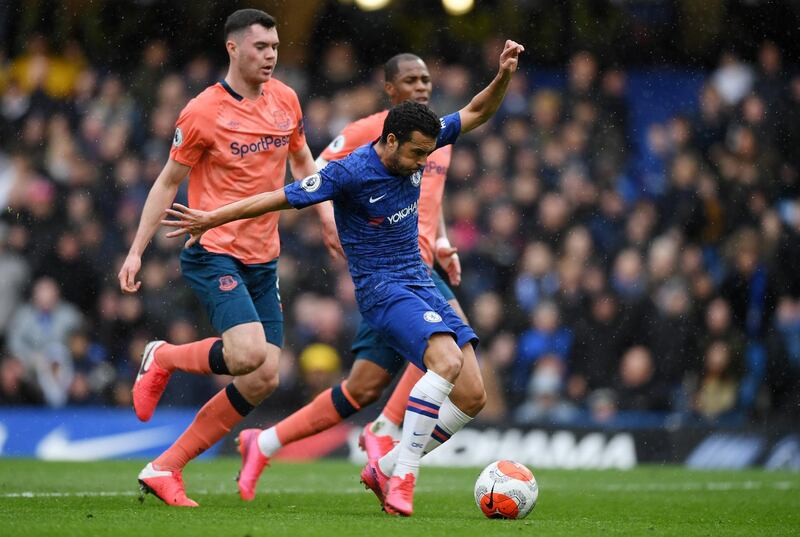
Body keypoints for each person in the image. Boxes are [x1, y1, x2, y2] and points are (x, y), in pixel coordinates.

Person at [163, 39, 524, 516]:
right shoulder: (348, 172)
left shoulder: (425, 134)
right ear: (391, 141)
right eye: (417, 156)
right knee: (444, 362)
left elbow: (477, 111)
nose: (422, 164)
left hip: (419, 276)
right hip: (383, 288)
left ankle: (386, 463)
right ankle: (403, 477)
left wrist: (502, 75)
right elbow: (276, 197)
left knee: (473, 395)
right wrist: (212, 217)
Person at [116, 9, 341, 507]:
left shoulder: (286, 99)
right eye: (261, 47)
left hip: (264, 257)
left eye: (276, 47)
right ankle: (163, 357)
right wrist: (136, 250)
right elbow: (167, 182)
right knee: (245, 354)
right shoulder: (202, 112)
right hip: (213, 250)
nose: (271, 56)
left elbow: (303, 163)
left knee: (263, 377)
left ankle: (164, 467)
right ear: (233, 49)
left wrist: (326, 217)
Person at [232, 51, 476, 503]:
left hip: (420, 265)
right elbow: (317, 173)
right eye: (411, 79)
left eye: (426, 78)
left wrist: (441, 241)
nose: (423, 86)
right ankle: (388, 440)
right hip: (386, 272)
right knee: (446, 358)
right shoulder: (370, 133)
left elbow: (431, 195)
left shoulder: (433, 131)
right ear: (390, 90)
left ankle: (263, 443)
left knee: (363, 386)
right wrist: (331, 224)